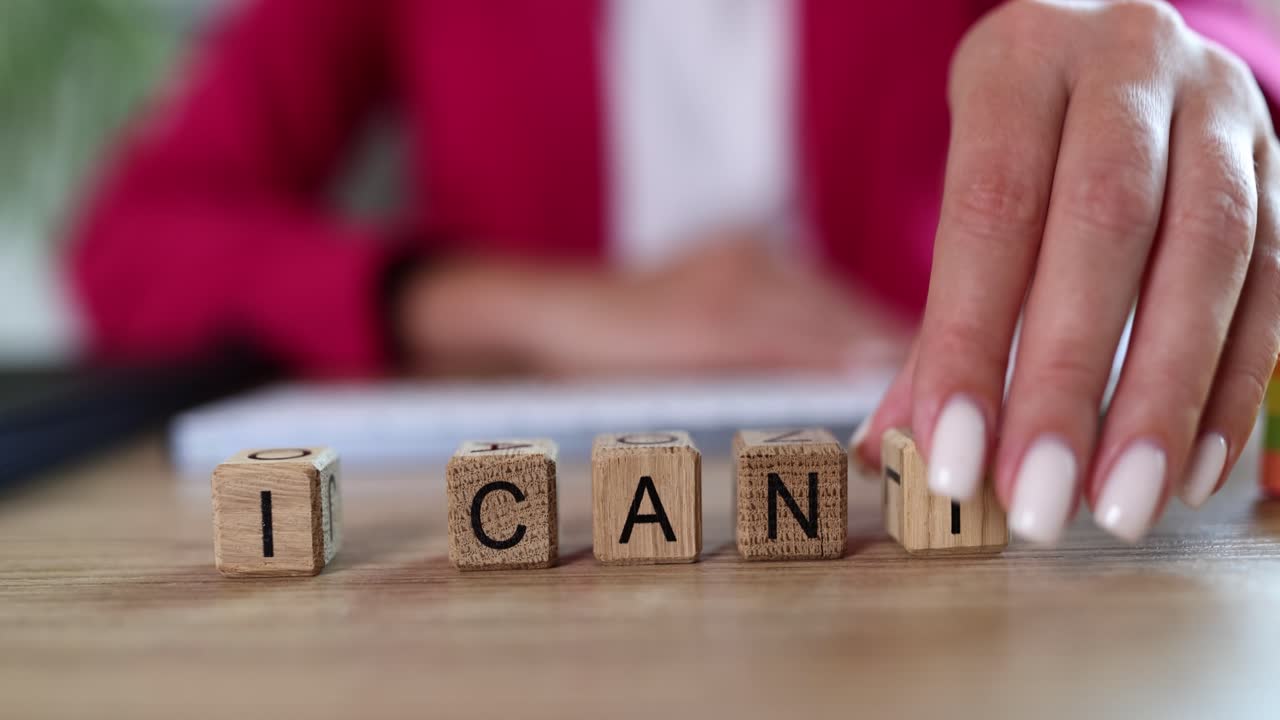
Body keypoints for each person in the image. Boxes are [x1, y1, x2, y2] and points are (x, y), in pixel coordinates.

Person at [69, 0, 1280, 547]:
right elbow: (130, 241)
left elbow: (1222, 45)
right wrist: (535, 309)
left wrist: (1194, 71)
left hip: (940, 541)